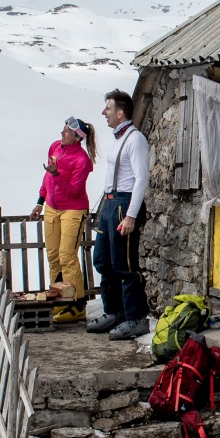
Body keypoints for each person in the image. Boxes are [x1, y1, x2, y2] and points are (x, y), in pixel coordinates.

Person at [86, 88, 151, 339]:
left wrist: (131, 215)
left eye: (108, 109)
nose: (104, 113)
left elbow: (141, 178)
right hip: (110, 203)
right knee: (103, 260)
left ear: (120, 112)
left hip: (124, 204)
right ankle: (114, 312)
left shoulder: (135, 139)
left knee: (124, 264)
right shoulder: (118, 139)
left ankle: (135, 317)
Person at [35, 115, 95, 318]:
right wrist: (39, 201)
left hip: (73, 208)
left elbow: (74, 192)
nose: (62, 133)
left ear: (78, 138)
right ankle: (60, 297)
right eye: (63, 129)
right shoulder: (55, 147)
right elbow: (47, 178)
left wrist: (56, 175)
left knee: (67, 255)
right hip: (52, 207)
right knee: (53, 255)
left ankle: (77, 304)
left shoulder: (82, 160)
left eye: (67, 131)